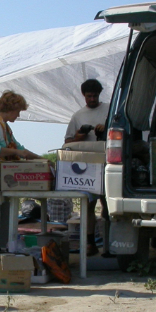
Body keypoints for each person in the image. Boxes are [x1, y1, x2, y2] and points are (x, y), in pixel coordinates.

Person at [0, 90, 43, 264]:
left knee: (5, 214)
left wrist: (40, 159)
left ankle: (2, 249)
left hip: (0, 175)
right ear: (11, 108)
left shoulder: (5, 127)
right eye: (18, 111)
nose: (18, 115)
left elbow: (20, 148)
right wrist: (17, 152)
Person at [64, 78, 110, 256]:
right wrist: (79, 136)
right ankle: (91, 243)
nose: (92, 99)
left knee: (107, 204)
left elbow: (121, 131)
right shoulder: (78, 116)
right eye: (89, 96)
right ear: (83, 95)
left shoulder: (109, 110)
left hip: (107, 163)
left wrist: (105, 130)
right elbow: (67, 143)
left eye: (95, 96)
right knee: (89, 204)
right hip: (87, 166)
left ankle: (108, 243)